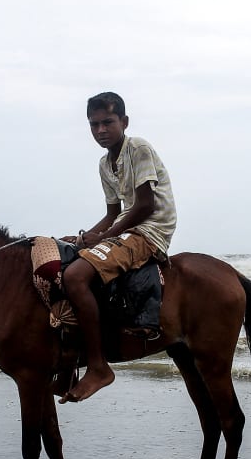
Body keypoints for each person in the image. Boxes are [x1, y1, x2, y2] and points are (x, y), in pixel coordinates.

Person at [61, 92, 176, 403]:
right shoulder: (104, 163)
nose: (100, 130)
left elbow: (145, 205)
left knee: (74, 277)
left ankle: (98, 366)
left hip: (150, 230)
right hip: (126, 228)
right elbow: (114, 212)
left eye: (107, 122)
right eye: (94, 124)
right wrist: (86, 236)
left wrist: (106, 237)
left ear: (124, 122)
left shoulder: (137, 148)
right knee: (67, 252)